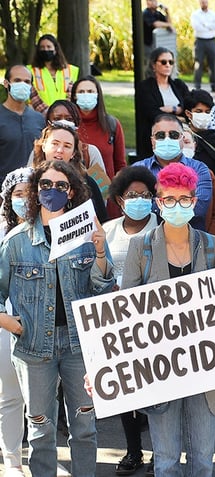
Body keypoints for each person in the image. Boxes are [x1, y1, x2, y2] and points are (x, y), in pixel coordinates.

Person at [0, 159, 115, 477]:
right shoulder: (16, 241)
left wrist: (101, 251)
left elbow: (103, 287)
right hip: (33, 348)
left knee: (85, 428)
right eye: (45, 184)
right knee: (40, 432)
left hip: (80, 347)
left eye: (60, 185)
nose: (52, 190)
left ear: (72, 192)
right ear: (36, 190)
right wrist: (7, 321)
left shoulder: (86, 236)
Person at [121, 163, 215, 477]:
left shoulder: (212, 247)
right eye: (169, 199)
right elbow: (125, 312)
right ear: (159, 202)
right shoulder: (139, 248)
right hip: (160, 370)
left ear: (194, 202)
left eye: (184, 199)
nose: (177, 205)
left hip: (206, 367)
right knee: (166, 462)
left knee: (203, 461)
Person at [102, 166, 159, 475]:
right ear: (119, 199)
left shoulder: (162, 227)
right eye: (132, 195)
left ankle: (160, 451)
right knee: (125, 389)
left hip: (154, 321)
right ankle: (133, 450)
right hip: (116, 322)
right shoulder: (107, 231)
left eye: (145, 195)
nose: (139, 200)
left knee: (156, 389)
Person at [0, 168, 31, 477]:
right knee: (10, 396)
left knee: (41, 401)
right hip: (5, 324)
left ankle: (42, 459)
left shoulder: (50, 227)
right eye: (17, 194)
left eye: (29, 193)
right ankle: (12, 463)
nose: (24, 200)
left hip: (42, 325)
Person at [133, 113, 214, 232]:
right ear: (152, 140)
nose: (167, 139)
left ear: (182, 138)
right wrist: (182, 204)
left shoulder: (199, 169)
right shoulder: (138, 169)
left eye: (173, 135)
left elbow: (199, 208)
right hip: (147, 242)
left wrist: (155, 204)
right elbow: (136, 209)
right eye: (160, 135)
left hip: (192, 241)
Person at [31, 121, 109, 223]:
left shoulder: (88, 183)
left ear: (73, 153)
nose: (60, 150)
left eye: (67, 146)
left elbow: (102, 221)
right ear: (44, 145)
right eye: (55, 144)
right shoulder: (29, 179)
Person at [136, 48, 190, 160]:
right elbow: (151, 112)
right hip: (155, 138)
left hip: (180, 137)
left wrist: (173, 109)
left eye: (171, 62)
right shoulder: (145, 87)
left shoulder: (179, 85)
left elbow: (189, 107)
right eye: (163, 62)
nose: (168, 65)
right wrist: (178, 117)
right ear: (153, 65)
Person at [71, 75, 127, 180]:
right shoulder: (69, 126)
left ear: (97, 94)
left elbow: (120, 164)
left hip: (106, 192)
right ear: (74, 96)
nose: (86, 95)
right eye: (81, 92)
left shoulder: (112, 124)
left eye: (90, 91)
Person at [0, 65, 45, 181]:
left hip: (34, 188)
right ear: (6, 83)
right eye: (17, 80)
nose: (22, 84)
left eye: (27, 82)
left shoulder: (39, 119)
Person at [182, 89, 215, 175]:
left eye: (207, 112)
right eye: (198, 111)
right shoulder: (182, 139)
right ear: (188, 113)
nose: (203, 115)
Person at [28, 34, 79, 112]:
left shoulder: (71, 70)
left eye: (49, 47)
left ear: (55, 49)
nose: (45, 50)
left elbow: (72, 94)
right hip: (39, 113)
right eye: (42, 47)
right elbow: (31, 96)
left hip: (65, 114)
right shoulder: (30, 70)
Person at [190, 0, 215, 92]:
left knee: (213, 65)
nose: (204, 3)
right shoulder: (195, 15)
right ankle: (197, 86)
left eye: (205, 1)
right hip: (200, 41)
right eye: (202, 1)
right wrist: (209, 26)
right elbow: (197, 27)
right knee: (198, 64)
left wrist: (205, 24)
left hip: (211, 41)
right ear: (199, 2)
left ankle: (214, 86)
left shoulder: (213, 14)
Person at [142, 1, 173, 73]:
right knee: (148, 65)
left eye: (155, 1)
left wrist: (167, 12)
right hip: (146, 44)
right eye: (152, 1)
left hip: (154, 44)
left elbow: (169, 23)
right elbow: (156, 24)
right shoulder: (146, 13)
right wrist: (168, 25)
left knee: (154, 65)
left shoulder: (157, 14)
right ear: (148, 2)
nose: (155, 3)